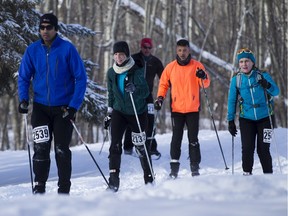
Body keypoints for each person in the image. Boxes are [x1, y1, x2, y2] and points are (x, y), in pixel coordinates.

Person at [18, 13, 87, 194]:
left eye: (49, 28)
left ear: (56, 29)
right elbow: (24, 77)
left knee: (61, 149)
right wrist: (23, 99)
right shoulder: (32, 50)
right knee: (41, 148)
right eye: (42, 28)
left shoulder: (67, 49)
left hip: (63, 108)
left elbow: (80, 78)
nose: (45, 31)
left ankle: (64, 188)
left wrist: (73, 106)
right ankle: (39, 184)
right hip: (40, 107)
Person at [154, 39, 210, 178]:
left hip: (192, 109)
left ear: (189, 50)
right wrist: (160, 98)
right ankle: (174, 169)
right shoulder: (170, 67)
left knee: (193, 138)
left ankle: (195, 167)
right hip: (177, 109)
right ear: (176, 51)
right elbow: (163, 85)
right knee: (176, 138)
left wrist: (203, 76)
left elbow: (206, 84)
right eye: (179, 50)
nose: (182, 53)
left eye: (184, 50)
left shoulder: (197, 66)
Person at [105, 41, 154, 192]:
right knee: (115, 145)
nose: (118, 57)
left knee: (140, 145)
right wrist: (109, 112)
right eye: (116, 54)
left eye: (121, 54)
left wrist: (135, 89)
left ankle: (149, 178)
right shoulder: (111, 73)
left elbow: (145, 92)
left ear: (126, 55)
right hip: (120, 111)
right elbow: (111, 93)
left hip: (137, 112)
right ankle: (113, 181)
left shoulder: (136, 70)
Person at [227, 48, 279, 175]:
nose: (244, 64)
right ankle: (247, 176)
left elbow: (276, 91)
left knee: (263, 150)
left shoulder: (263, 75)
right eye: (241, 62)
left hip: (266, 118)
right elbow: (232, 100)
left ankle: (269, 176)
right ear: (239, 64)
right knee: (247, 149)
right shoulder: (236, 80)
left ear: (253, 62)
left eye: (247, 61)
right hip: (246, 119)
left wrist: (266, 84)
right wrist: (230, 121)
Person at [123, 38, 164, 159]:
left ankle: (151, 147)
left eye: (149, 47)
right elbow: (124, 74)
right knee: (132, 120)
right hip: (134, 95)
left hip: (147, 95)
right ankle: (128, 148)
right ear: (141, 47)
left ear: (152, 48)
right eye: (144, 47)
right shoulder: (133, 59)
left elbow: (164, 78)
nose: (146, 50)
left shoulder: (155, 61)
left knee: (150, 120)